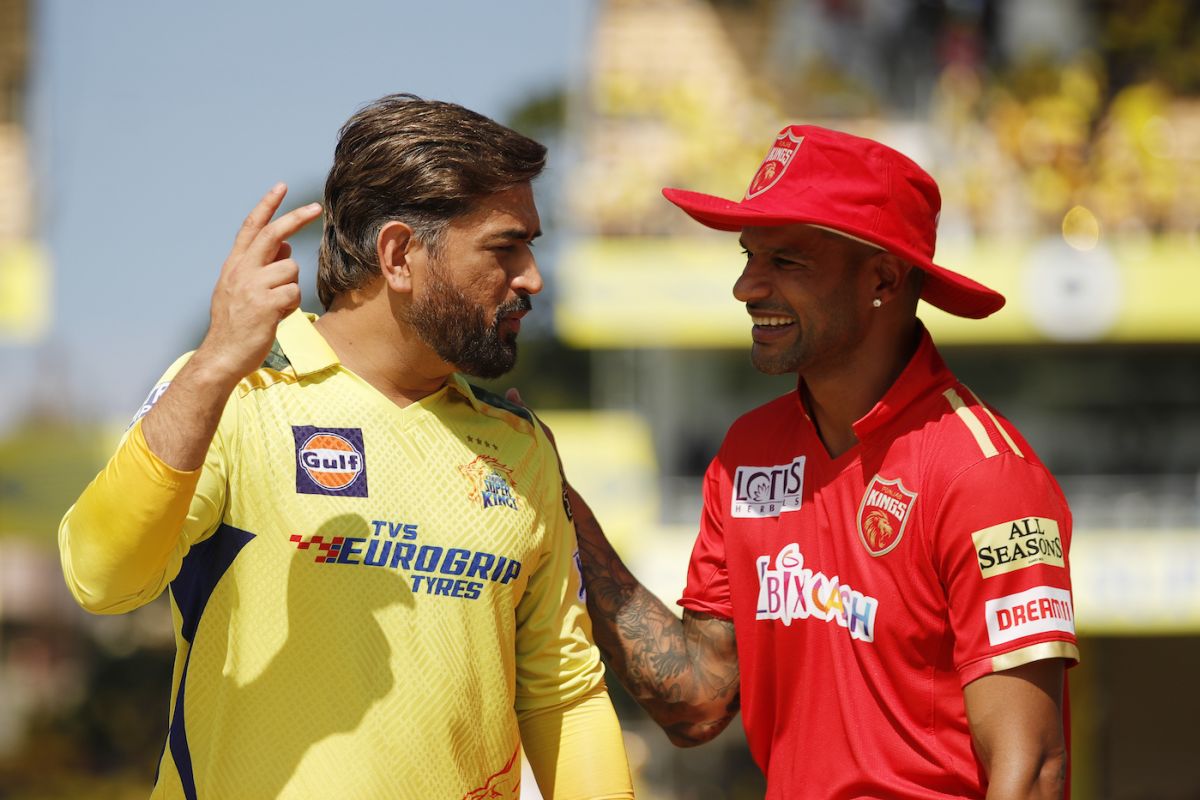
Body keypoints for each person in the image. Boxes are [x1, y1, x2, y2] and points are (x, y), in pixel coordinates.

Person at [59, 94, 633, 800]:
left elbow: (564, 697)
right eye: (503, 248)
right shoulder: (237, 392)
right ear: (398, 255)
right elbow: (101, 577)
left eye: (530, 249)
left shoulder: (522, 450)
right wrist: (212, 364)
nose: (531, 279)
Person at [563, 125, 1078, 799]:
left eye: (787, 262)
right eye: (749, 256)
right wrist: (561, 508)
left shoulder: (986, 475)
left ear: (883, 279)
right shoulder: (747, 452)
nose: (747, 287)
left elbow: (1033, 770)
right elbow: (698, 700)